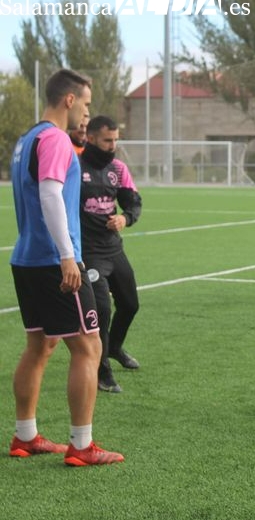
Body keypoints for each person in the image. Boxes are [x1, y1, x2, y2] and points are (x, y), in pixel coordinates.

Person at [8, 68, 124, 466]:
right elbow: (51, 194)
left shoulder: (26, 140)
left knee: (40, 346)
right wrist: (66, 255)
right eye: (87, 104)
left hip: (24, 258)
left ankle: (25, 437)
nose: (88, 114)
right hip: (52, 260)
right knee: (89, 346)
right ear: (69, 100)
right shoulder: (56, 139)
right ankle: (82, 445)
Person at [79, 115, 142, 393]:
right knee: (102, 310)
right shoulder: (74, 167)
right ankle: (102, 371)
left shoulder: (119, 168)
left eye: (116, 140)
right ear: (90, 138)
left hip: (114, 249)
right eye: (107, 140)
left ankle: (114, 347)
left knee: (130, 304)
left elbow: (133, 203)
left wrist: (125, 219)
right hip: (89, 252)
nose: (113, 145)